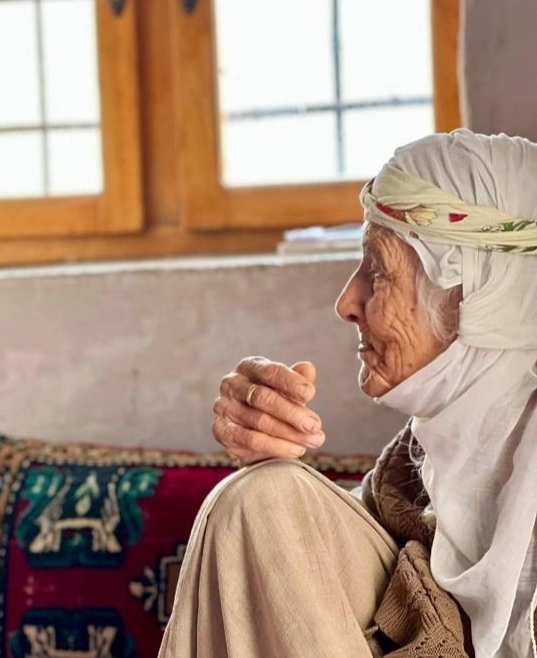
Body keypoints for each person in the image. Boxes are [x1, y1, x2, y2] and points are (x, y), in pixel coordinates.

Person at [158, 129, 537, 658]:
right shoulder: (408, 479)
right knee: (262, 501)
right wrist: (271, 465)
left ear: (474, 291)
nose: (345, 302)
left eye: (377, 268)